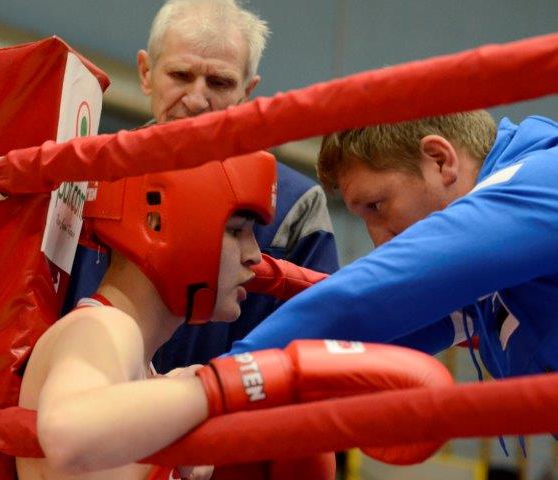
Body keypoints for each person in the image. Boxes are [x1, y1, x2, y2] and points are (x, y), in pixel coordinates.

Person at [63, 0, 339, 371]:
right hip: (93, 375)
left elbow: (311, 351)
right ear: (146, 72)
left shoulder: (295, 206)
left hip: (219, 404)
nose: (195, 101)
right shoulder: (89, 176)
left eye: (219, 82)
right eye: (180, 75)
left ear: (247, 91)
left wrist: (208, 390)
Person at [229, 111, 558, 383]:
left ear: (439, 160)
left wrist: (220, 379)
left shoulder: (539, 182)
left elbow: (362, 301)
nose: (378, 240)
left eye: (377, 206)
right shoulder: (496, 258)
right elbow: (373, 342)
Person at [16, 152, 277, 480]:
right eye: (236, 231)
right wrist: (215, 390)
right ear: (156, 224)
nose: (255, 256)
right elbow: (64, 431)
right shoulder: (102, 328)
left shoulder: (140, 366)